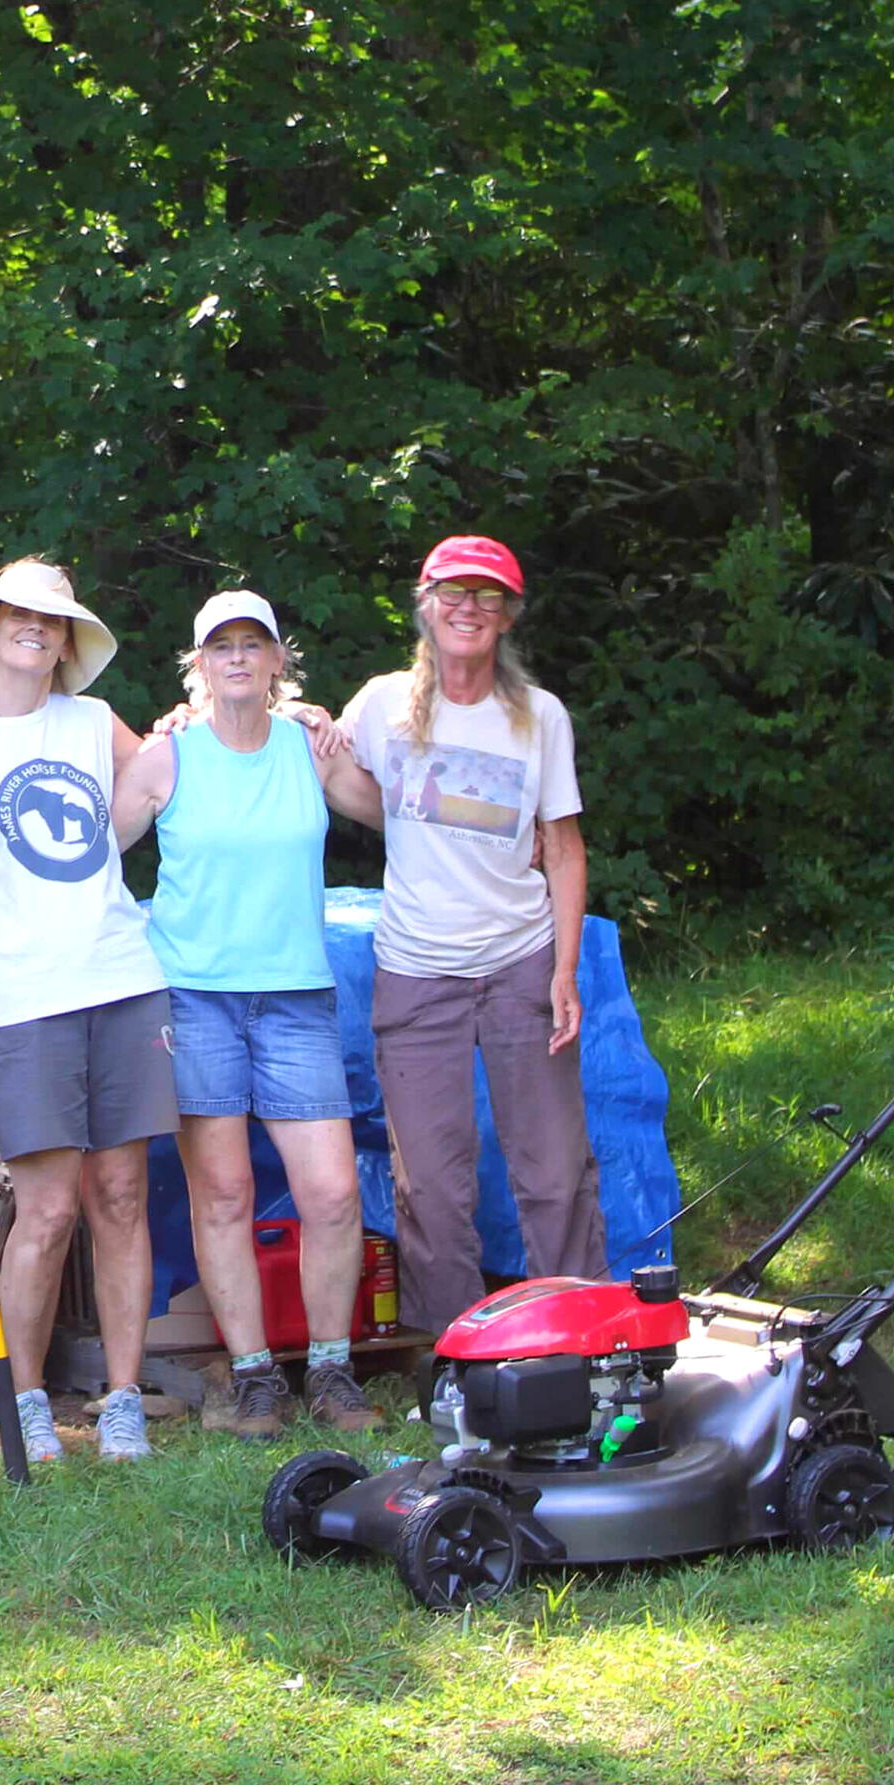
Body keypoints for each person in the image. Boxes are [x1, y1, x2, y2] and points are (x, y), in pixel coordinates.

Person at [0, 558, 177, 1467]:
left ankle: (124, 1400)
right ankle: (26, 1406)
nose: (36, 630)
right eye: (20, 616)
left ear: (66, 640)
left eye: (53, 621)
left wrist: (230, 718)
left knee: (122, 1197)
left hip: (119, 978)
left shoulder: (94, 722)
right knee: (48, 1209)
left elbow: (170, 775)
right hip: (14, 1000)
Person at [111, 590, 383, 1440]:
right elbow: (84, 857)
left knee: (333, 1192)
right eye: (218, 645)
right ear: (197, 664)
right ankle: (256, 1378)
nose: (236, 657)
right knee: (222, 1191)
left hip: (296, 997)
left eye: (251, 643)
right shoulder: (167, 757)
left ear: (276, 659)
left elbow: (394, 807)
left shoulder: (309, 747)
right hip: (194, 1000)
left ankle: (332, 1370)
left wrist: (353, 730)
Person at [324, 535, 606, 1339]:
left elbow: (564, 846)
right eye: (454, 592)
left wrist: (566, 968)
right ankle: (456, 1362)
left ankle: (575, 1342)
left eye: (487, 596)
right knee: (433, 1189)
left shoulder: (539, 716)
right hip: (416, 972)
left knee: (553, 1173)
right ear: (425, 603)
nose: (468, 608)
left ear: (509, 614)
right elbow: (327, 767)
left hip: (521, 964)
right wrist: (298, 718)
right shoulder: (381, 704)